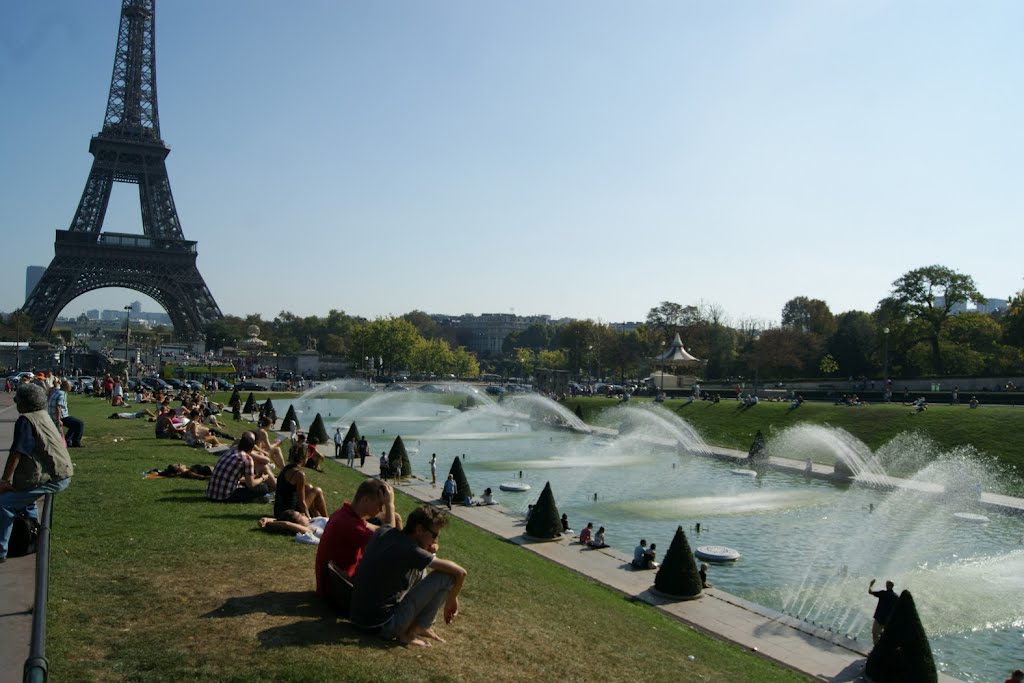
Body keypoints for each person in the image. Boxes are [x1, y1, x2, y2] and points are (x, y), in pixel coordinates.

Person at [350, 505, 467, 646]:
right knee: (447, 577)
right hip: (382, 626)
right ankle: (412, 632)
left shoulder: (385, 532)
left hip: (357, 618)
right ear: (419, 530)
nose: (435, 541)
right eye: (434, 535)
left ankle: (421, 626)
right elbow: (460, 573)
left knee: (421, 567)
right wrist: (452, 599)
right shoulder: (411, 551)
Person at [1, 384, 75, 562]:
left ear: (24, 402)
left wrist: (4, 480)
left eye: (17, 400)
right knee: (24, 499)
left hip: (54, 477)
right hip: (61, 472)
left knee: (3, 503)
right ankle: (32, 536)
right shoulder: (43, 415)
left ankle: (1, 550)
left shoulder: (26, 420)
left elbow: (17, 452)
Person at [315, 479, 401, 597]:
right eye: (380, 505)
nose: (381, 510)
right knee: (392, 566)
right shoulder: (350, 524)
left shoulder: (345, 513)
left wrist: (395, 520)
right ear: (365, 500)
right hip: (338, 592)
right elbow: (388, 540)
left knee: (394, 525)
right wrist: (390, 505)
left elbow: (375, 529)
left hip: (333, 584)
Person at [206, 432, 277, 503]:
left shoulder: (231, 451)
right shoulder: (247, 459)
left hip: (211, 494)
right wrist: (263, 478)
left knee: (250, 484)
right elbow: (251, 484)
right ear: (252, 449)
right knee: (263, 488)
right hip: (225, 496)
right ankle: (263, 495)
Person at [276, 440, 328, 522]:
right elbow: (301, 502)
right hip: (290, 513)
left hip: (279, 510)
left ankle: (317, 516)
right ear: (304, 457)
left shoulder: (286, 468)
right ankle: (327, 521)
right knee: (317, 490)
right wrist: (308, 519)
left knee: (308, 487)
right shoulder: (299, 474)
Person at [48, 379, 85, 448]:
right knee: (79, 423)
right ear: (66, 387)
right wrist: (59, 419)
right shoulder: (63, 394)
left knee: (74, 425)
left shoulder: (57, 392)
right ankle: (76, 442)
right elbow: (58, 406)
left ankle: (68, 440)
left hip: (52, 415)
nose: (71, 387)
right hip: (60, 416)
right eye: (70, 385)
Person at [867, 579, 898, 645]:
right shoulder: (895, 597)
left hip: (879, 618)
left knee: (875, 634)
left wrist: (871, 584)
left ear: (891, 586)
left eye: (888, 584)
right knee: (880, 636)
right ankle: (879, 649)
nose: (886, 585)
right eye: (887, 584)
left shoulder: (883, 593)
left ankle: (877, 649)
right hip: (887, 620)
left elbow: (870, 592)